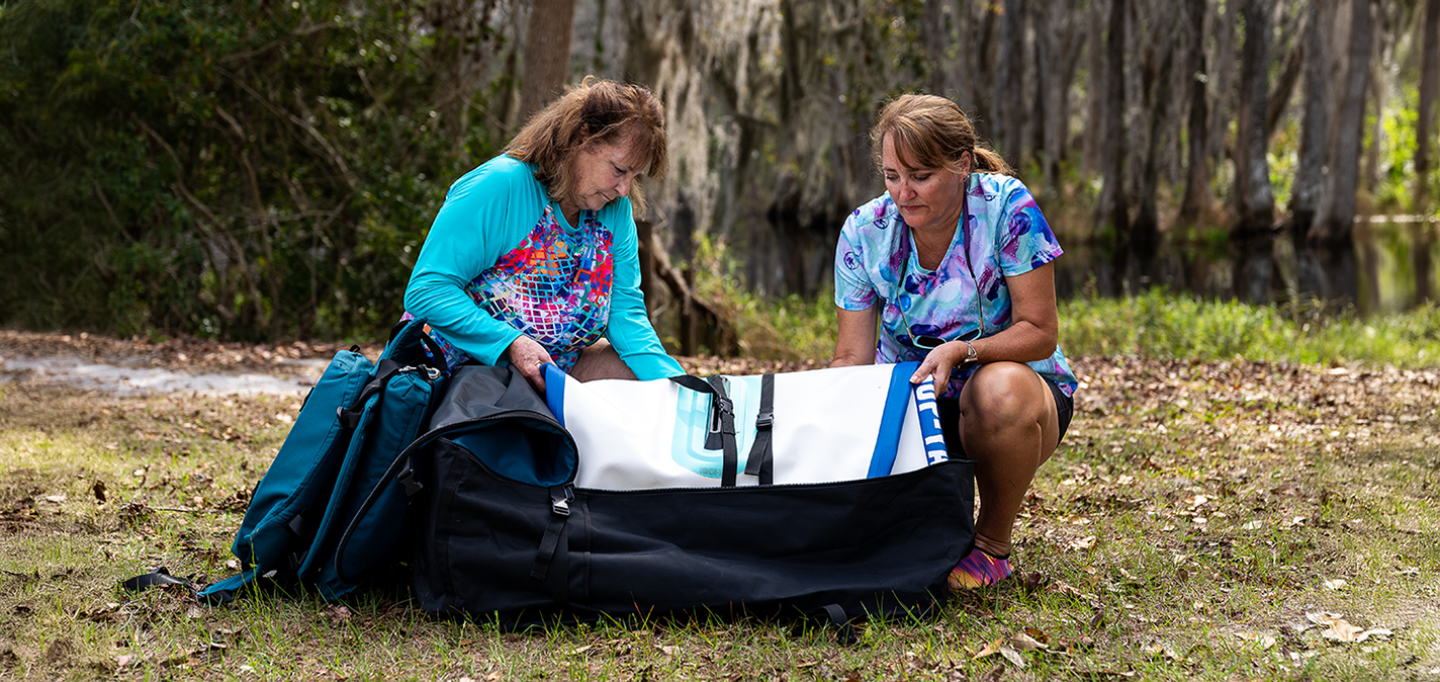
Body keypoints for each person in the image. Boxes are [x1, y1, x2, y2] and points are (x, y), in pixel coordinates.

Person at [830, 94, 1077, 589]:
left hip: (1015, 400)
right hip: (915, 404)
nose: (903, 193)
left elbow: (1039, 332)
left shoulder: (1007, 207)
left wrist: (961, 351)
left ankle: (991, 547)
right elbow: (852, 356)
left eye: (920, 176)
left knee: (996, 391)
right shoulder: (864, 231)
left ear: (962, 165)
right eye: (891, 176)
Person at [403, 77, 684, 391]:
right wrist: (510, 343)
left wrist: (682, 389)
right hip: (451, 372)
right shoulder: (501, 185)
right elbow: (427, 290)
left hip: (548, 374)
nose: (624, 190)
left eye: (634, 175)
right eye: (619, 170)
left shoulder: (615, 212)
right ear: (582, 137)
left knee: (640, 380)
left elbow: (626, 314)